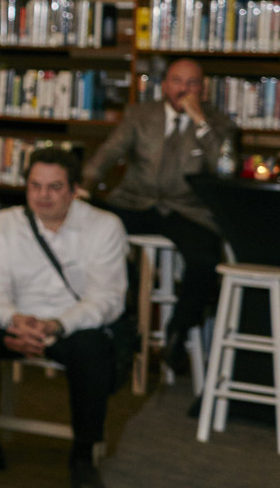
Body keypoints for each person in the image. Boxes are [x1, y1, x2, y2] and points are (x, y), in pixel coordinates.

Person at [0, 143, 130, 488]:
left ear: (75, 190)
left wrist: (54, 326)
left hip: (71, 325)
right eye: (35, 185)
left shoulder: (104, 226)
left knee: (92, 350)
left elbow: (107, 299)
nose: (43, 195)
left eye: (55, 187)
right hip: (17, 321)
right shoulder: (4, 223)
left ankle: (83, 457)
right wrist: (15, 321)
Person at [87, 56, 239, 343]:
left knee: (205, 260)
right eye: (177, 81)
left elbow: (225, 166)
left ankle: (179, 330)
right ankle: (126, 309)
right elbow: (108, 152)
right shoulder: (140, 116)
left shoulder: (218, 123)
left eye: (192, 82)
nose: (184, 89)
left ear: (202, 89)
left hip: (187, 210)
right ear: (164, 85)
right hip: (136, 202)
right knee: (100, 235)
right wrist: (83, 186)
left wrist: (200, 123)